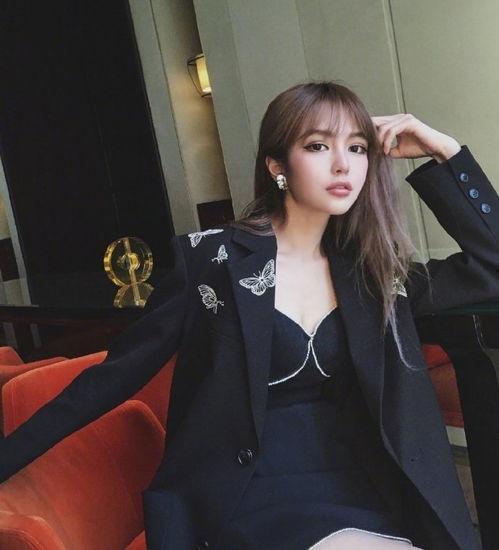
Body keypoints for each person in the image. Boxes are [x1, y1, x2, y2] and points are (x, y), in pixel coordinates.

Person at [1, 80, 498, 550]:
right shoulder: (212, 261)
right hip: (251, 494)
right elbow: (112, 378)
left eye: (357, 148)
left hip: (364, 487)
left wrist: (446, 153)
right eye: (318, 146)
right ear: (277, 165)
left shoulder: (375, 272)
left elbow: (491, 265)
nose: (342, 165)